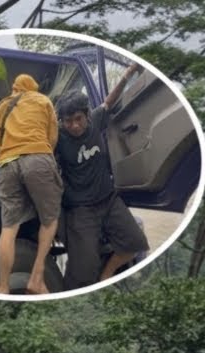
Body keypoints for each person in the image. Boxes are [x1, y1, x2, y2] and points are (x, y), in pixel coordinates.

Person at [54, 65, 149, 289]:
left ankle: (106, 275)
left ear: (86, 114)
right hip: (80, 210)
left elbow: (110, 100)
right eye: (68, 121)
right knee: (82, 269)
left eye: (78, 119)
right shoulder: (58, 137)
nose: (74, 125)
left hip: (108, 200)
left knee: (135, 242)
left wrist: (128, 73)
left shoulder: (96, 120)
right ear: (61, 121)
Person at [0, 73, 62, 296]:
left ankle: (2, 285)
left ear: (14, 88)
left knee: (9, 228)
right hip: (38, 157)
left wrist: (10, 152)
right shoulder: (43, 100)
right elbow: (52, 137)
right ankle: (37, 278)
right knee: (49, 220)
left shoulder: (1, 106)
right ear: (33, 87)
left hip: (8, 163)